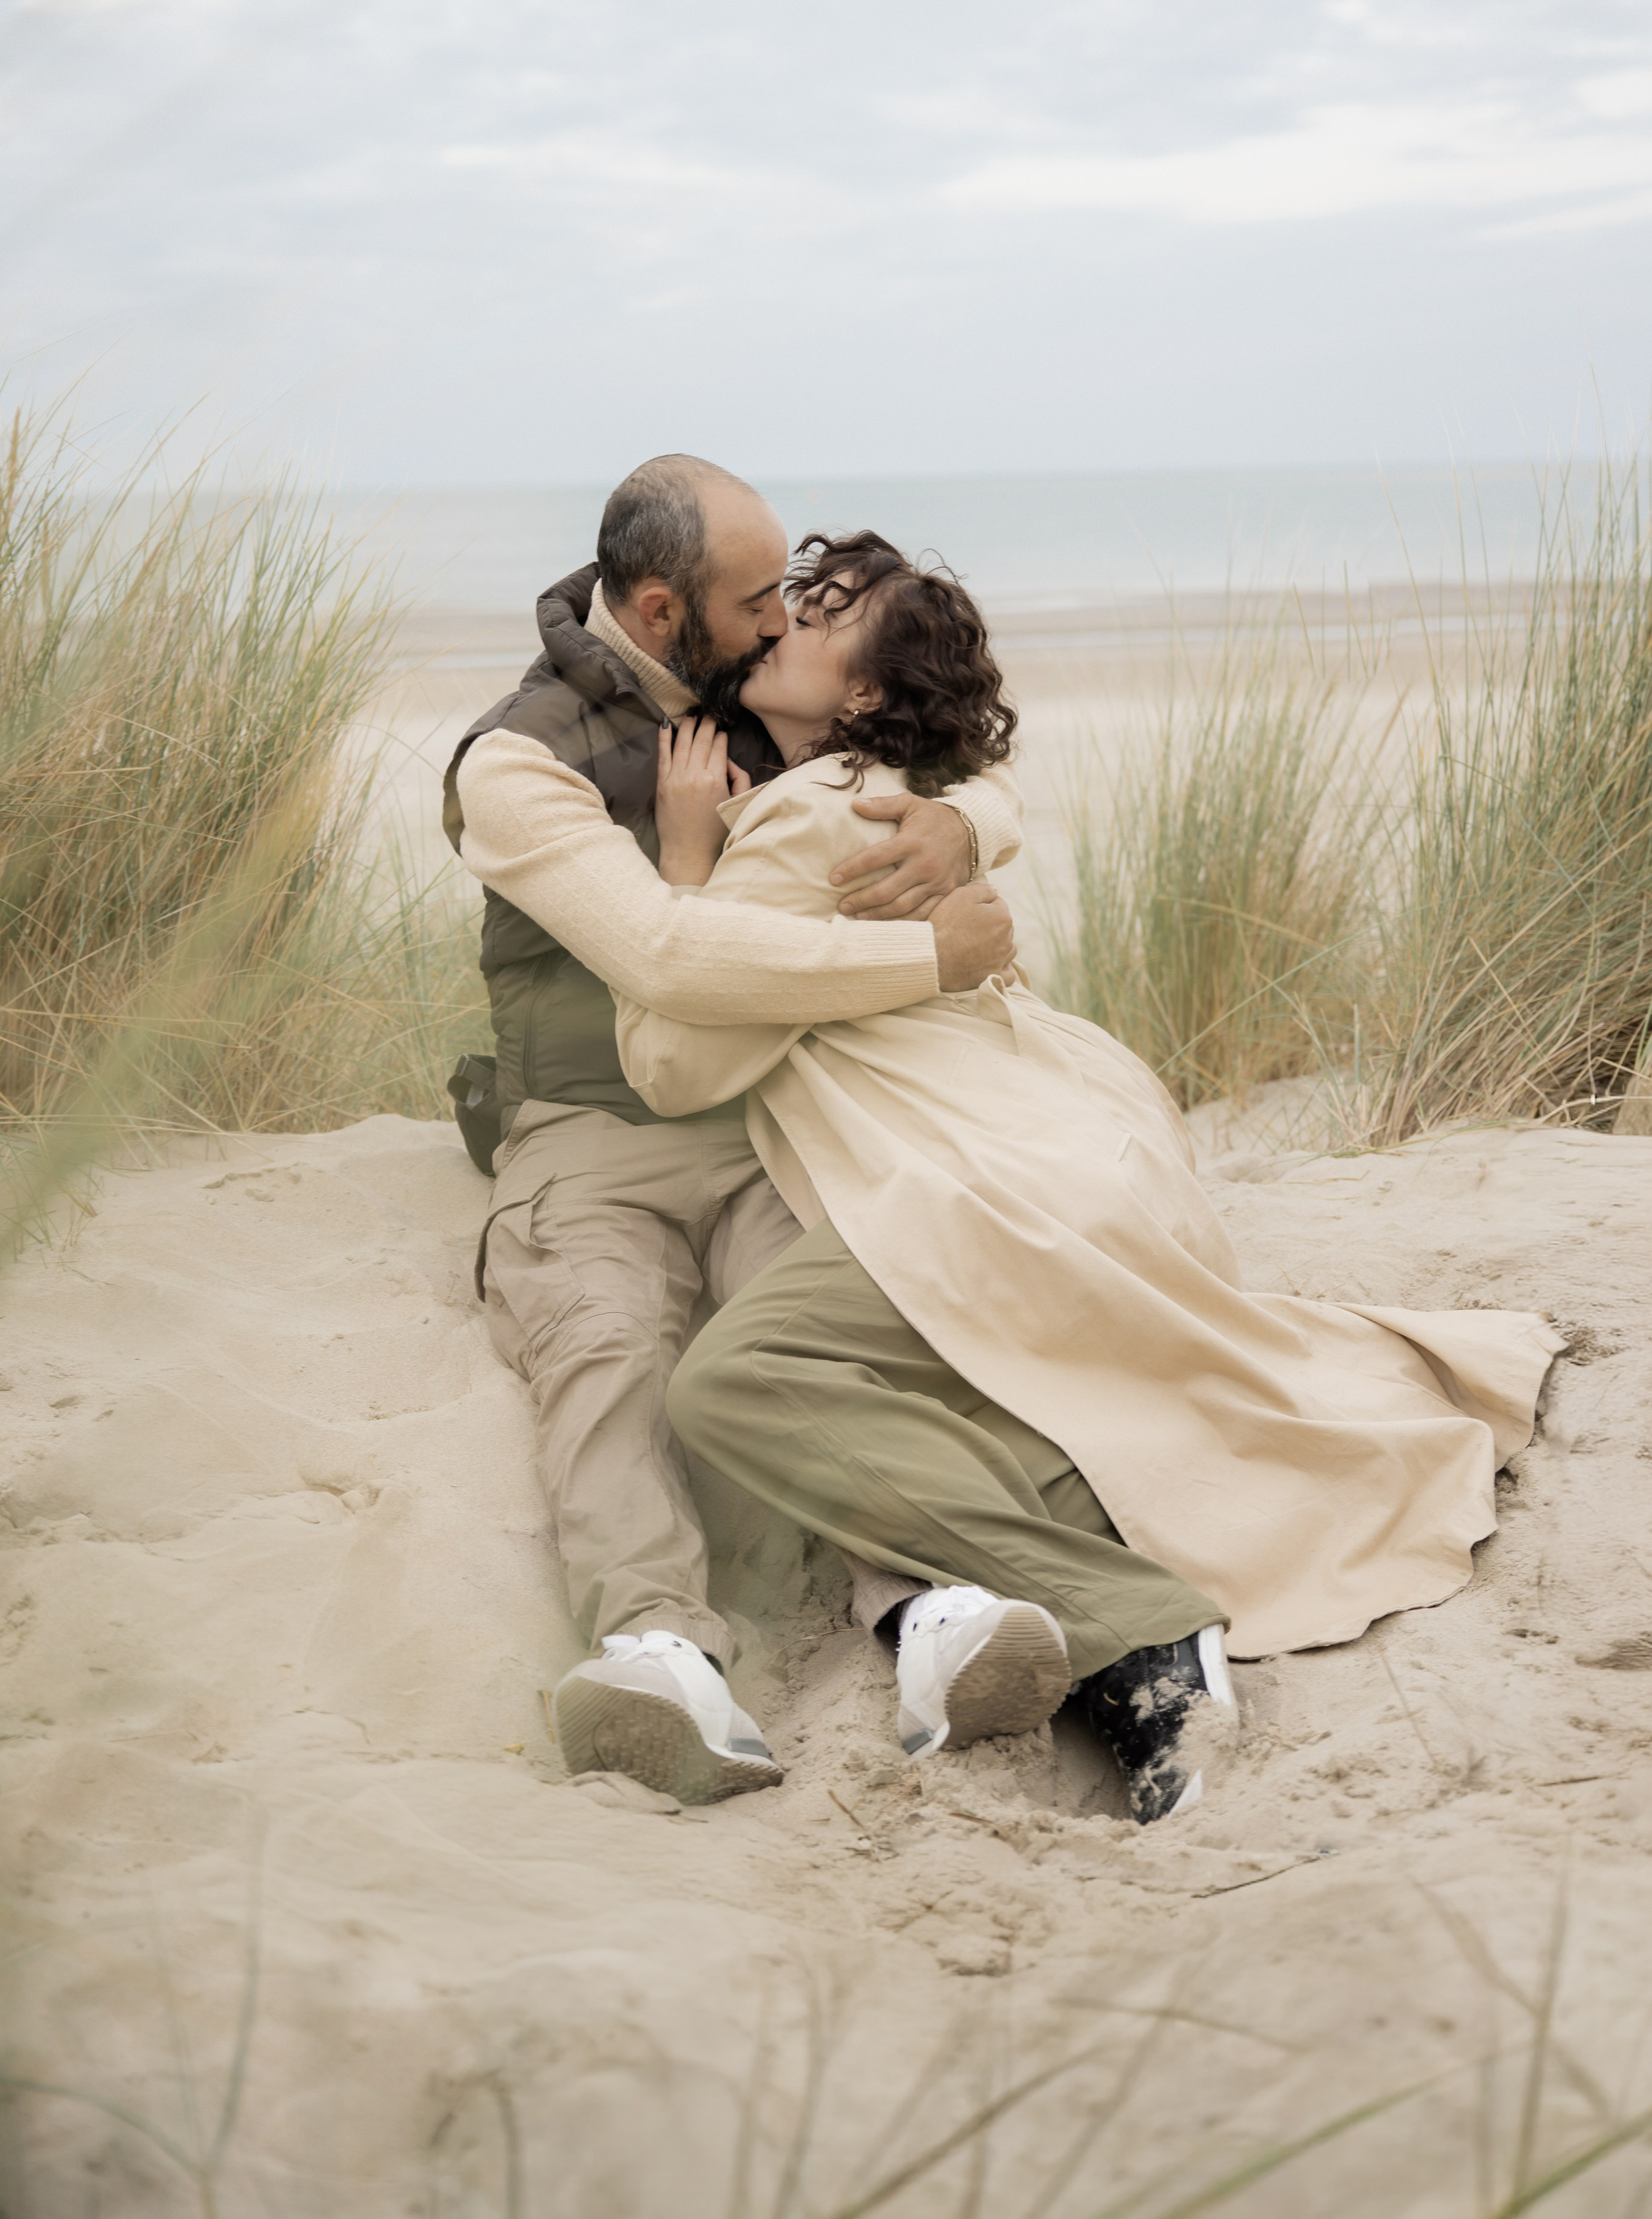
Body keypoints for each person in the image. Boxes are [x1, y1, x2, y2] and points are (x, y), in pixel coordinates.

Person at [610, 533, 1563, 1823]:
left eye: (821, 610)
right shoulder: (903, 799)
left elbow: (671, 1061)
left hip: (985, 1168)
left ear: (865, 699)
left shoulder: (798, 828)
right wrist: (965, 816)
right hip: (1076, 1126)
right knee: (1013, 1400)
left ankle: (1139, 1631)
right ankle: (1150, 1680)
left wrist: (678, 862)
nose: (781, 616)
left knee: (735, 1380)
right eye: (784, 597)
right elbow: (989, 794)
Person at [445, 459, 1025, 1805]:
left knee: (809, 1332)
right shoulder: (513, 763)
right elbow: (662, 955)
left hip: (769, 1113)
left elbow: (968, 760)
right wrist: (924, 962)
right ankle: (655, 1649)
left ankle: (930, 1611)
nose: (782, 622)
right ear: (660, 611)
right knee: (603, 1347)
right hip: (588, 1134)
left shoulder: (751, 695)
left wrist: (955, 824)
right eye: (758, 599)